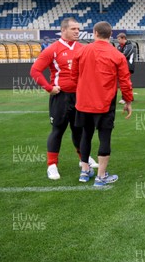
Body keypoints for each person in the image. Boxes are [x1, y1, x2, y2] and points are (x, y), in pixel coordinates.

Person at [30, 17, 98, 180]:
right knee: (58, 130)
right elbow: (35, 71)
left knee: (79, 129)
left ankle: (84, 159)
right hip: (61, 97)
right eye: (73, 29)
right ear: (63, 30)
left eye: (78, 29)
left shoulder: (83, 48)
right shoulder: (53, 49)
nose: (77, 31)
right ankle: (52, 165)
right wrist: (49, 88)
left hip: (80, 96)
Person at [72, 21, 133, 186]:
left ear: (94, 33)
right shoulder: (117, 55)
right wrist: (127, 100)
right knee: (104, 137)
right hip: (104, 103)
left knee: (86, 134)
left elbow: (73, 75)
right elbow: (125, 81)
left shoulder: (81, 51)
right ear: (110, 34)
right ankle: (100, 176)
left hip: (84, 103)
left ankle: (85, 171)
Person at [116, 33, 136, 104]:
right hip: (122, 66)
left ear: (123, 38)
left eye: (119, 39)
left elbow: (124, 55)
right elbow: (116, 55)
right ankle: (130, 97)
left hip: (128, 66)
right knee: (124, 82)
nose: (118, 41)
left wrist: (117, 56)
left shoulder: (130, 46)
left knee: (125, 83)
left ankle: (125, 98)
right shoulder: (119, 46)